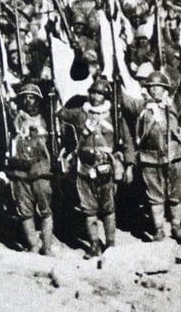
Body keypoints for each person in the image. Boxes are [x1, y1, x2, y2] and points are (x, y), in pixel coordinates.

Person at [59, 79, 135, 259]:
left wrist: (129, 166)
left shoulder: (114, 117)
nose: (95, 97)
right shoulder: (81, 113)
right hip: (84, 167)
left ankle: (110, 244)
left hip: (106, 167)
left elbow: (127, 142)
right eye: (93, 92)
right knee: (88, 209)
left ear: (105, 96)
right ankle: (94, 244)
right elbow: (61, 114)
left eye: (99, 93)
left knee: (108, 208)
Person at [135, 71, 181, 244]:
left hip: (174, 156)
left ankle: (176, 227)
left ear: (165, 89)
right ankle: (159, 229)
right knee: (155, 196)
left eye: (158, 87)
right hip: (150, 158)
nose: (154, 90)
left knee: (176, 194)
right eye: (151, 87)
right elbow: (123, 100)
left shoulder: (172, 104)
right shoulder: (141, 107)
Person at [0, 84, 55, 255]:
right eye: (25, 98)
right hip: (20, 171)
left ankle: (47, 246)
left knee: (45, 210)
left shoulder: (48, 120)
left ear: (38, 100)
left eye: (31, 98)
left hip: (41, 171)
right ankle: (33, 245)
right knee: (25, 212)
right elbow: (4, 108)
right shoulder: (15, 119)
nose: (28, 101)